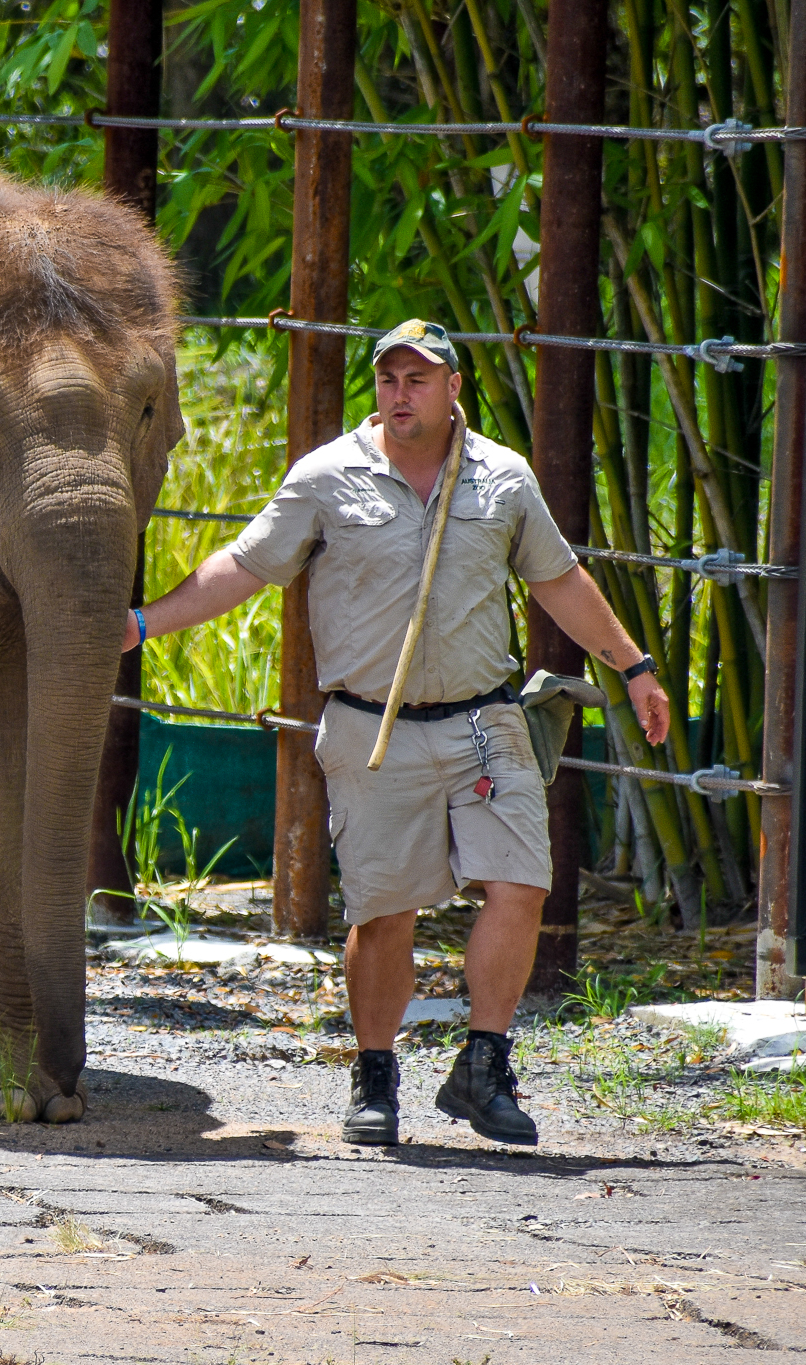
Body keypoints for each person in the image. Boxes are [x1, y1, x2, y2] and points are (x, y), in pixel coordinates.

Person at [124, 320, 671, 1147]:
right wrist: (139, 623)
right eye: (389, 379)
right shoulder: (327, 476)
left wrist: (634, 667)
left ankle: (485, 1064)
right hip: (370, 725)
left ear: (454, 387)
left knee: (520, 882)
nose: (401, 393)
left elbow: (558, 578)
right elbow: (244, 564)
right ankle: (374, 1073)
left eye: (419, 378)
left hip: (486, 719)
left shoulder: (502, 476)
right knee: (384, 912)